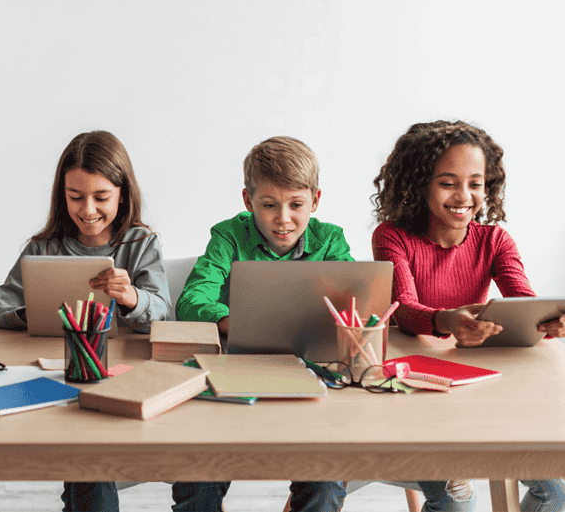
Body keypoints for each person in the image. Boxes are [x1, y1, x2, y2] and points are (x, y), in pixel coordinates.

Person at [372, 119, 565, 512]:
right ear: (418, 184)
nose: (464, 195)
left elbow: (522, 300)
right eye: (448, 182)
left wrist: (549, 321)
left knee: (556, 492)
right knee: (458, 499)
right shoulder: (393, 236)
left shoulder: (494, 240)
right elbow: (405, 311)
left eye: (475, 183)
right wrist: (448, 321)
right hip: (416, 394)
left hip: (481, 393)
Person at [0, 130, 169, 512]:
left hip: (126, 379)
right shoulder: (43, 247)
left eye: (101, 197)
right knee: (87, 460)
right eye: (75, 197)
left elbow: (162, 311)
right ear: (61, 196)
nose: (88, 210)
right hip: (60, 376)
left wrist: (132, 297)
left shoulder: (140, 244)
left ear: (123, 193)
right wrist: (35, 310)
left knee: (93, 460)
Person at [174, 135, 350, 511]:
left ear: (315, 201)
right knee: (197, 476)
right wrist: (235, 320)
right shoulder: (228, 236)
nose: (283, 219)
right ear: (247, 200)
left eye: (296, 205)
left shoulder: (331, 241)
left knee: (325, 480)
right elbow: (191, 302)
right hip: (235, 374)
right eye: (269, 205)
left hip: (310, 377)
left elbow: (356, 304)